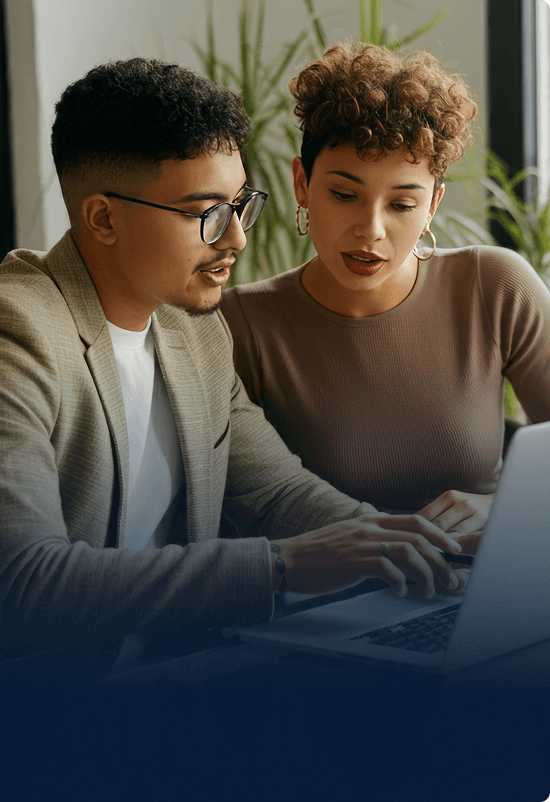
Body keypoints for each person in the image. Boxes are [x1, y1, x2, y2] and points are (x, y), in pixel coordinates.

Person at [0, 57, 465, 674]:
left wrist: (421, 549)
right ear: (103, 218)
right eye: (204, 213)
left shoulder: (191, 329)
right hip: (40, 713)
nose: (236, 239)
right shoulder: (0, 331)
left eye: (240, 204)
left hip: (180, 675)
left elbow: (277, 490)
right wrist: (288, 565)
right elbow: (27, 589)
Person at [222, 43, 550, 557]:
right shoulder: (243, 324)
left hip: (482, 586)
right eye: (345, 195)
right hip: (330, 607)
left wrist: (506, 508)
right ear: (302, 185)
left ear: (433, 204)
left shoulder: (494, 285)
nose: (370, 230)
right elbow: (247, 503)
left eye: (402, 203)